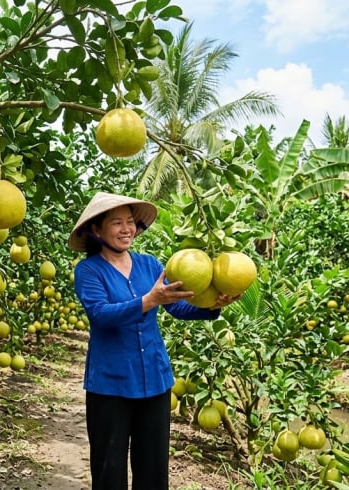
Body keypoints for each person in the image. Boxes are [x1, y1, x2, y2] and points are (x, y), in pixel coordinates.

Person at [68, 192, 239, 489]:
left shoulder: (150, 265)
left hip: (155, 380)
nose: (127, 229)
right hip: (111, 385)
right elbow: (100, 314)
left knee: (153, 470)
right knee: (109, 471)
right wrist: (147, 301)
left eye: (131, 222)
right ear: (96, 230)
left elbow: (178, 306)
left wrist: (213, 305)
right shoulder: (89, 270)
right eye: (117, 223)